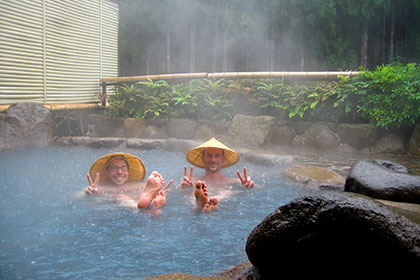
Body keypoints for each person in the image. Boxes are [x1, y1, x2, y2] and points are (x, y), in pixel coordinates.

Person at [181, 138, 254, 212]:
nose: (213, 159)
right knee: (192, 195)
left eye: (217, 155)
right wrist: (185, 189)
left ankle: (204, 204)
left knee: (227, 192)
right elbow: (173, 191)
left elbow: (259, 188)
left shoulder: (236, 182)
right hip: (209, 206)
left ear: (223, 159)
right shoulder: (192, 182)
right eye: (209, 155)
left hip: (220, 204)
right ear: (203, 158)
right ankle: (202, 205)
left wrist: (248, 186)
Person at [84, 153, 172, 210]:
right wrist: (87, 193)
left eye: (123, 168)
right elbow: (75, 197)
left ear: (128, 172)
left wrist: (163, 191)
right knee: (120, 197)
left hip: (132, 210)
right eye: (115, 168)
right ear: (106, 172)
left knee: (153, 211)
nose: (119, 172)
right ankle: (149, 206)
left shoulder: (139, 185)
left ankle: (151, 204)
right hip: (131, 210)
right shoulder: (98, 188)